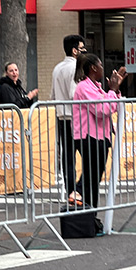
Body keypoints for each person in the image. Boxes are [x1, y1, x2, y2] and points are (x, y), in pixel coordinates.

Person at [72, 53, 127, 209]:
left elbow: (112, 106)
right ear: (93, 68)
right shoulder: (84, 87)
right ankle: (79, 196)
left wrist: (115, 91)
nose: (103, 69)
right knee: (92, 175)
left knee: (95, 176)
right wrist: (113, 91)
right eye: (101, 65)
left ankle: (91, 212)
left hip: (100, 136)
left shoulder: (96, 86)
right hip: (88, 136)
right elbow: (102, 109)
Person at [51, 34, 86, 198]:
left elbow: (52, 95)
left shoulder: (57, 68)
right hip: (75, 117)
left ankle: (70, 189)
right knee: (88, 154)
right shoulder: (74, 68)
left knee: (68, 156)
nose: (84, 51)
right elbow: (74, 94)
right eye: (82, 48)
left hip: (61, 116)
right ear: (74, 51)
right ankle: (78, 189)